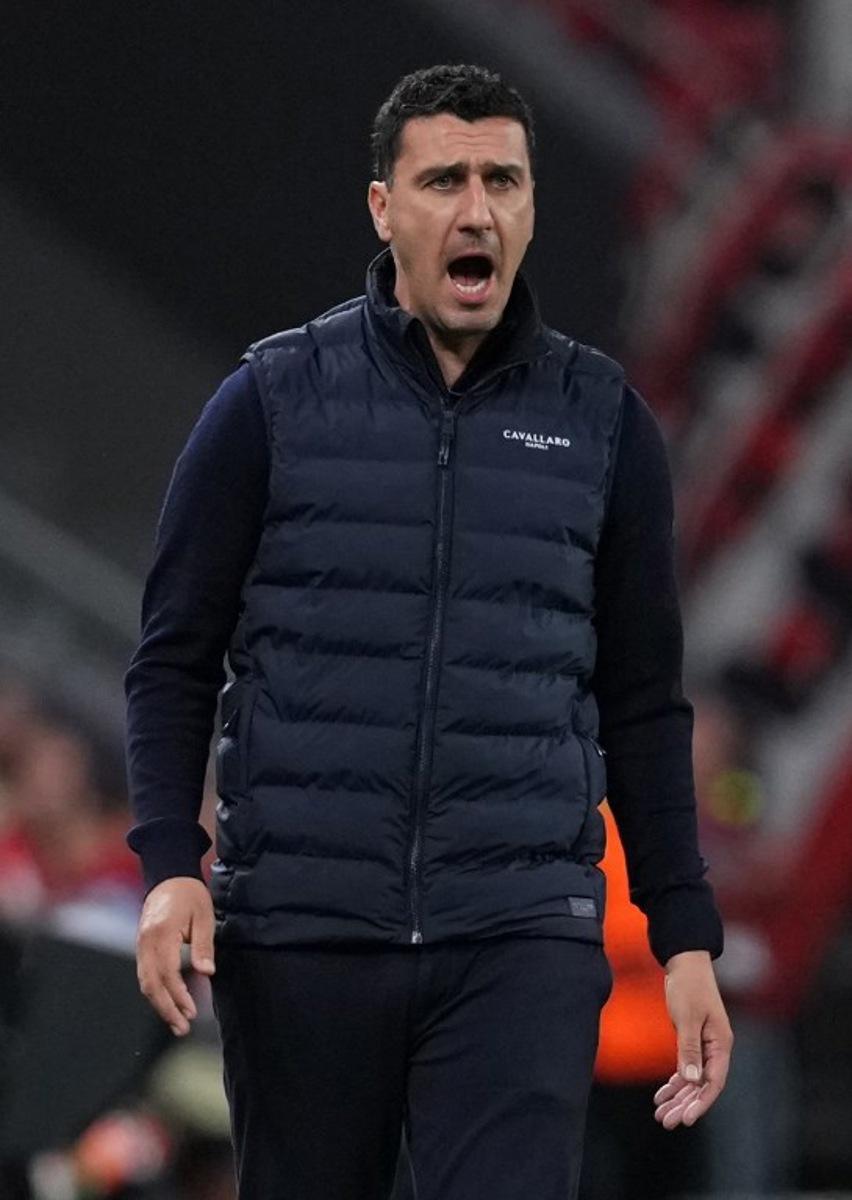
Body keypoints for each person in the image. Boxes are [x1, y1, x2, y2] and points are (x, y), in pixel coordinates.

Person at [124, 63, 733, 1200]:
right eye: (444, 178)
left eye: (503, 179)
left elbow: (645, 703)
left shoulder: (605, 427)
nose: (478, 209)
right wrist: (170, 865)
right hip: (304, 930)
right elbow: (171, 656)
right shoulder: (269, 402)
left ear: (533, 205)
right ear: (382, 208)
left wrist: (683, 932)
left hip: (519, 934)